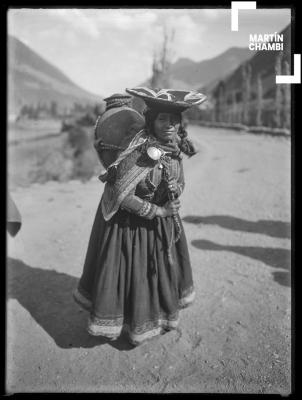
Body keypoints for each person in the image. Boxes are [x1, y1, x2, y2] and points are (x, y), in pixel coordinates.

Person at [73, 87, 207, 346]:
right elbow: (123, 195)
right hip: (128, 225)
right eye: (162, 119)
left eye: (174, 120)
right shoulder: (137, 150)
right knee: (131, 271)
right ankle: (129, 322)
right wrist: (158, 211)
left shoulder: (173, 147)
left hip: (160, 222)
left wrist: (174, 189)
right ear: (151, 120)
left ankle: (156, 316)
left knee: (155, 272)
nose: (169, 125)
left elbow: (180, 180)